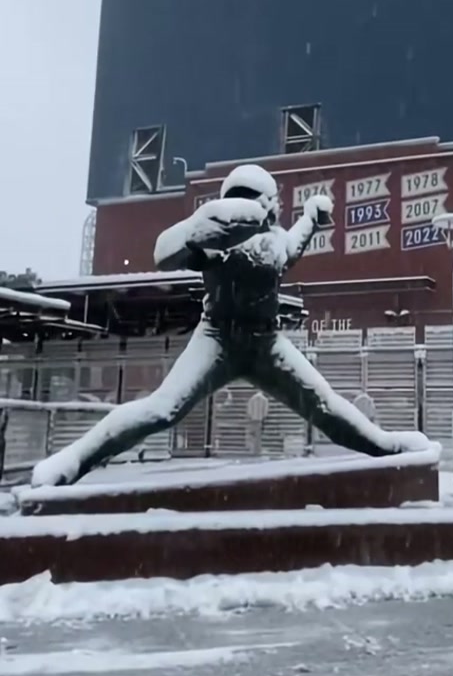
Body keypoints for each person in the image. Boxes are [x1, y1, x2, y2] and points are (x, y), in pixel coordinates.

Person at [32, 164, 431, 487]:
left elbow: (295, 243)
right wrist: (195, 231)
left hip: (266, 343)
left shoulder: (276, 242)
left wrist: (313, 215)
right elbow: (164, 253)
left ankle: (385, 446)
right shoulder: (217, 238)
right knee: (161, 409)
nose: (263, 208)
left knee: (323, 405)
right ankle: (73, 459)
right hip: (217, 338)